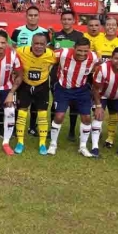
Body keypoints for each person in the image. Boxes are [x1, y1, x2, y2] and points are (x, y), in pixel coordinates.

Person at [48, 38, 99, 157]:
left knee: (86, 118)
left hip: (82, 89)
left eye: (85, 51)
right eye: (79, 51)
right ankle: (53, 144)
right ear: (74, 48)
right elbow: (46, 55)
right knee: (59, 116)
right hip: (63, 88)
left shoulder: (94, 57)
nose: (82, 54)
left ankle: (83, 146)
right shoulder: (63, 53)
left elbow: (100, 66)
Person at [93, 17, 118, 148]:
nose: (110, 27)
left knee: (113, 113)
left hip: (116, 84)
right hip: (99, 82)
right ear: (104, 27)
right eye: (108, 24)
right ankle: (96, 135)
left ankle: (110, 138)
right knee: (97, 109)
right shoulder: (97, 40)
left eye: (113, 25)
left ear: (117, 27)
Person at [11, 6, 50, 138]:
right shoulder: (17, 31)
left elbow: (47, 53)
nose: (32, 17)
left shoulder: (45, 32)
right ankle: (17, 128)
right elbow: (13, 49)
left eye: (35, 15)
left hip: (39, 71)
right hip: (21, 71)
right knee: (20, 101)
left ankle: (33, 126)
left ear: (39, 16)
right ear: (26, 16)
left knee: (36, 102)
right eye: (30, 15)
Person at [14, 33, 56, 155]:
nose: (38, 46)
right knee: (22, 112)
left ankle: (42, 143)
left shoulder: (51, 55)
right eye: (36, 43)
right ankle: (20, 142)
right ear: (31, 43)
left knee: (42, 114)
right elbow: (10, 54)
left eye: (41, 44)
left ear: (46, 45)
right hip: (25, 85)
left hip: (42, 86)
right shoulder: (21, 51)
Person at [50, 10, 85, 142]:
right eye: (64, 19)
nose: (66, 21)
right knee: (55, 102)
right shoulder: (56, 35)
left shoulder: (80, 36)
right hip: (56, 73)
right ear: (61, 20)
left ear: (74, 21)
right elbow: (51, 52)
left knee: (74, 103)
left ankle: (71, 131)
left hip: (74, 74)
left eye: (69, 19)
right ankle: (51, 129)